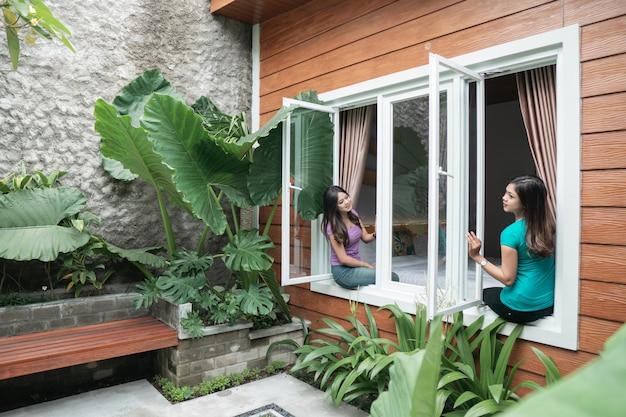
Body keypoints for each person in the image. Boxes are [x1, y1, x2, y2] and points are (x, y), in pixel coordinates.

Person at [466, 174, 555, 324]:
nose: (503, 197)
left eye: (511, 196)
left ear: (526, 203)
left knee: (483, 294)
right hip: (547, 304)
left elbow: (508, 279)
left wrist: (477, 257)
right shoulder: (548, 226)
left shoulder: (510, 233)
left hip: (521, 309)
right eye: (506, 192)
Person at [322, 185, 398, 289]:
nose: (347, 202)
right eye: (341, 202)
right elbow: (343, 259)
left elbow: (366, 238)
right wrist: (366, 265)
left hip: (356, 266)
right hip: (343, 272)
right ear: (334, 207)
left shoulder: (353, 214)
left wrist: (376, 233)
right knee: (391, 278)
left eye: (346, 197)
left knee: (389, 278)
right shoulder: (333, 227)